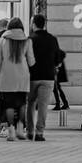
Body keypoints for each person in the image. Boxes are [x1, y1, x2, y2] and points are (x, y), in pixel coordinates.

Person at [0, 18, 34, 141]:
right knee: (21, 104)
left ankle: (11, 131)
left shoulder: (1, 41)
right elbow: (31, 62)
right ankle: (20, 130)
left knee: (9, 105)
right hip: (22, 77)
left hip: (6, 77)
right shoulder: (27, 41)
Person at [28, 14, 62, 142]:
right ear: (44, 24)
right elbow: (58, 59)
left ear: (34, 24)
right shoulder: (52, 39)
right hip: (48, 77)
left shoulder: (30, 39)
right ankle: (39, 132)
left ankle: (30, 131)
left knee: (30, 104)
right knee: (43, 106)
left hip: (32, 77)